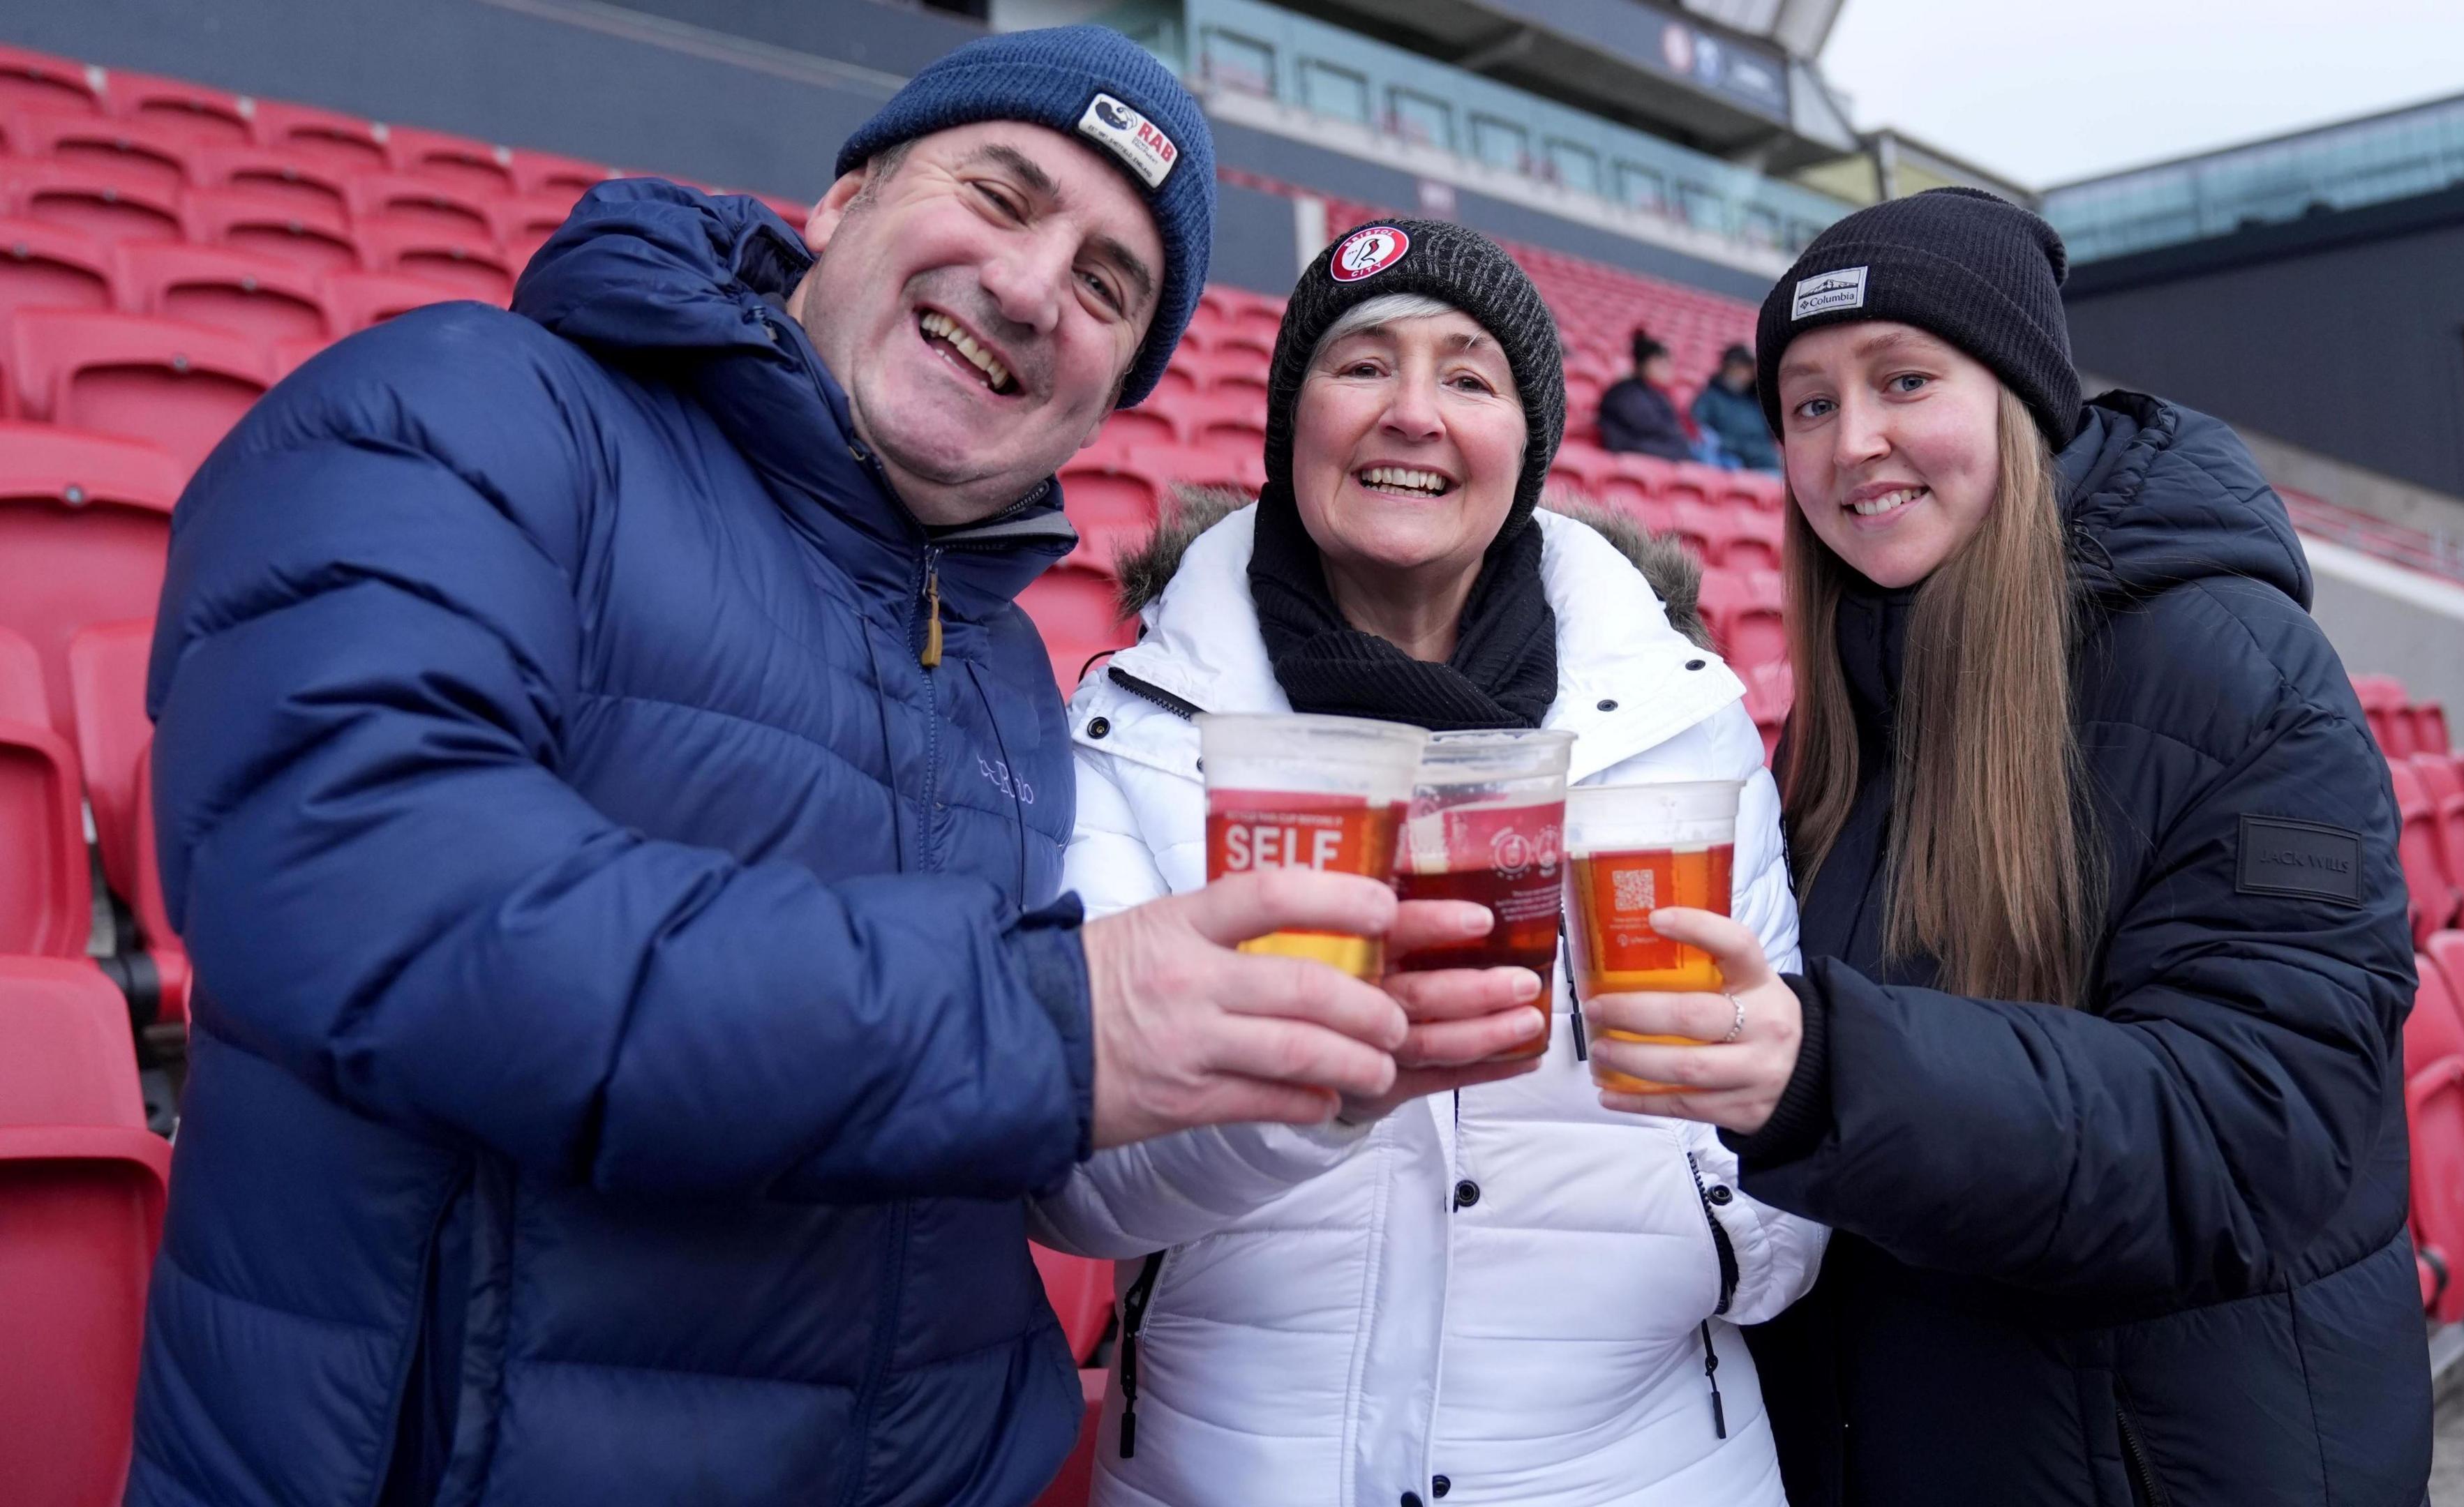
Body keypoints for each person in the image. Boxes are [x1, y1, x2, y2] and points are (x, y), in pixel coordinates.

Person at [126, 31, 1535, 1507]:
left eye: (1109, 286)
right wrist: (1048, 1023)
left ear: (1114, 395)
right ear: (845, 199)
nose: (1031, 286)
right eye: (999, 195)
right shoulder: (468, 408)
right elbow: (360, 887)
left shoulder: (1000, 664)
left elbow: (967, 1164)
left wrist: (1294, 1077)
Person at [1578, 188, 2432, 1506]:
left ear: (2022, 404)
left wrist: (1829, 1074)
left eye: (1904, 380)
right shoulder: (1840, 712)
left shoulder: (2247, 676)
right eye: (1807, 403)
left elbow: (2260, 1126)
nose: (1853, 442)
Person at [1033, 220, 1825, 1506]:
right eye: (1361, 367)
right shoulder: (1141, 724)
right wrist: (1321, 1096)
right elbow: (1071, 1183)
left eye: (1469, 377)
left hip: (1649, 1465)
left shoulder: (1683, 716)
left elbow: (1779, 1102)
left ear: (1530, 448)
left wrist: (1736, 1234)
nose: (1414, 412)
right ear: (1293, 421)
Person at [1598, 329, 1698, 461]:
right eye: (1662, 365)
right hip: (1632, 449)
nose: (1668, 371)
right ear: (1646, 364)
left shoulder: (1655, 393)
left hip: (1655, 447)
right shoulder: (1624, 393)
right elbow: (1649, 427)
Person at [1692, 343, 1780, 472]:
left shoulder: (1756, 402)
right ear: (1727, 367)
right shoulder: (1709, 398)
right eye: (1740, 367)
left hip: (1765, 464)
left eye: (1748, 369)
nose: (1744, 374)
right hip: (1728, 463)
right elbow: (1699, 432)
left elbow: (1770, 436)